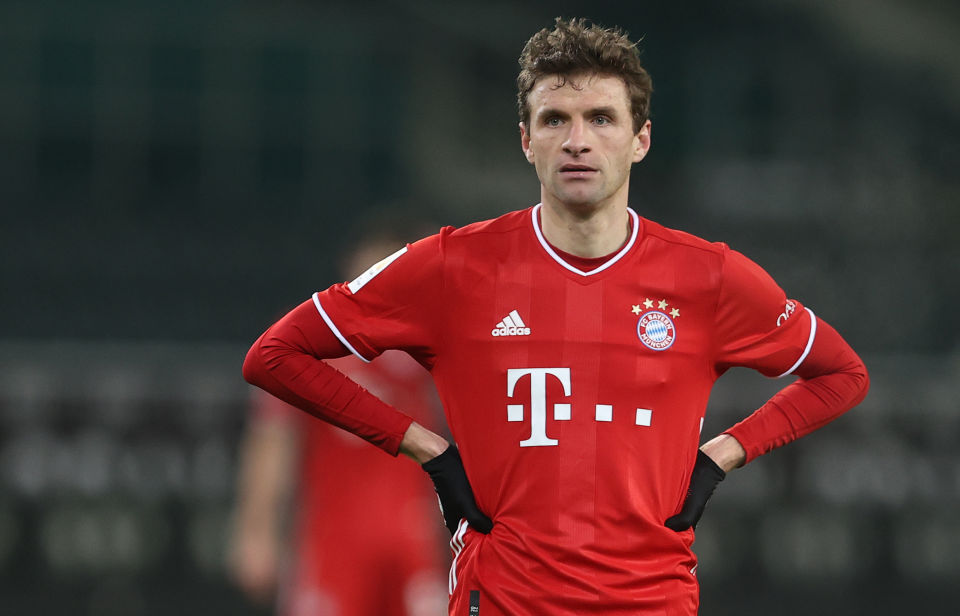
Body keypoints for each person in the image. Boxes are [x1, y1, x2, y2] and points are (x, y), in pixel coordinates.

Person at [242, 17, 869, 615]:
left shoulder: (709, 276)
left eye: (601, 118)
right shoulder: (451, 265)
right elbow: (274, 355)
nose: (577, 140)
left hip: (651, 600)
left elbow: (842, 374)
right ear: (526, 140)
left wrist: (719, 458)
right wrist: (426, 450)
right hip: (504, 597)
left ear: (641, 139)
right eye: (554, 119)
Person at [229, 230, 450, 616]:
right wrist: (256, 529)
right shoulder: (308, 345)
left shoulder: (431, 347)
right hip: (332, 544)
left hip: (414, 544)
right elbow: (274, 439)